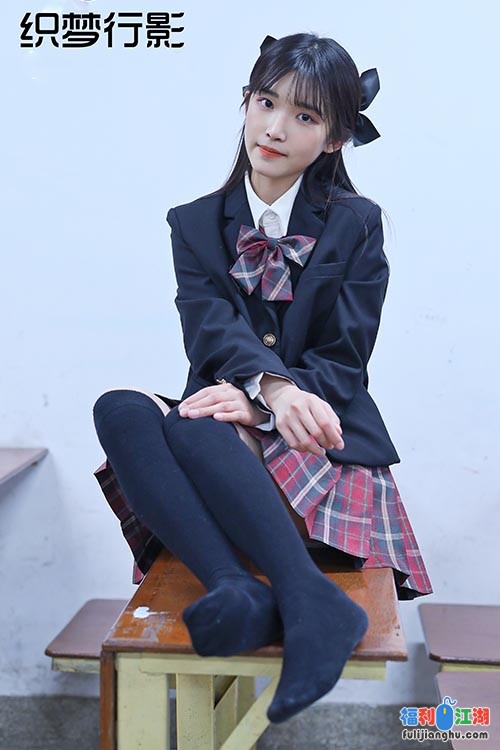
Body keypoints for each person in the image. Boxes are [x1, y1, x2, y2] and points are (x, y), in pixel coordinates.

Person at [92, 32, 433, 724]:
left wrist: (275, 401)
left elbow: (345, 356)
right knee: (120, 408)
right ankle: (239, 588)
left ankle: (305, 594)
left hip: (316, 434)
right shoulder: (194, 223)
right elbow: (209, 329)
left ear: (335, 138)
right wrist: (259, 388)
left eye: (304, 116)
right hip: (227, 428)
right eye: (265, 102)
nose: (275, 128)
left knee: (195, 424)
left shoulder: (358, 225)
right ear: (245, 102)